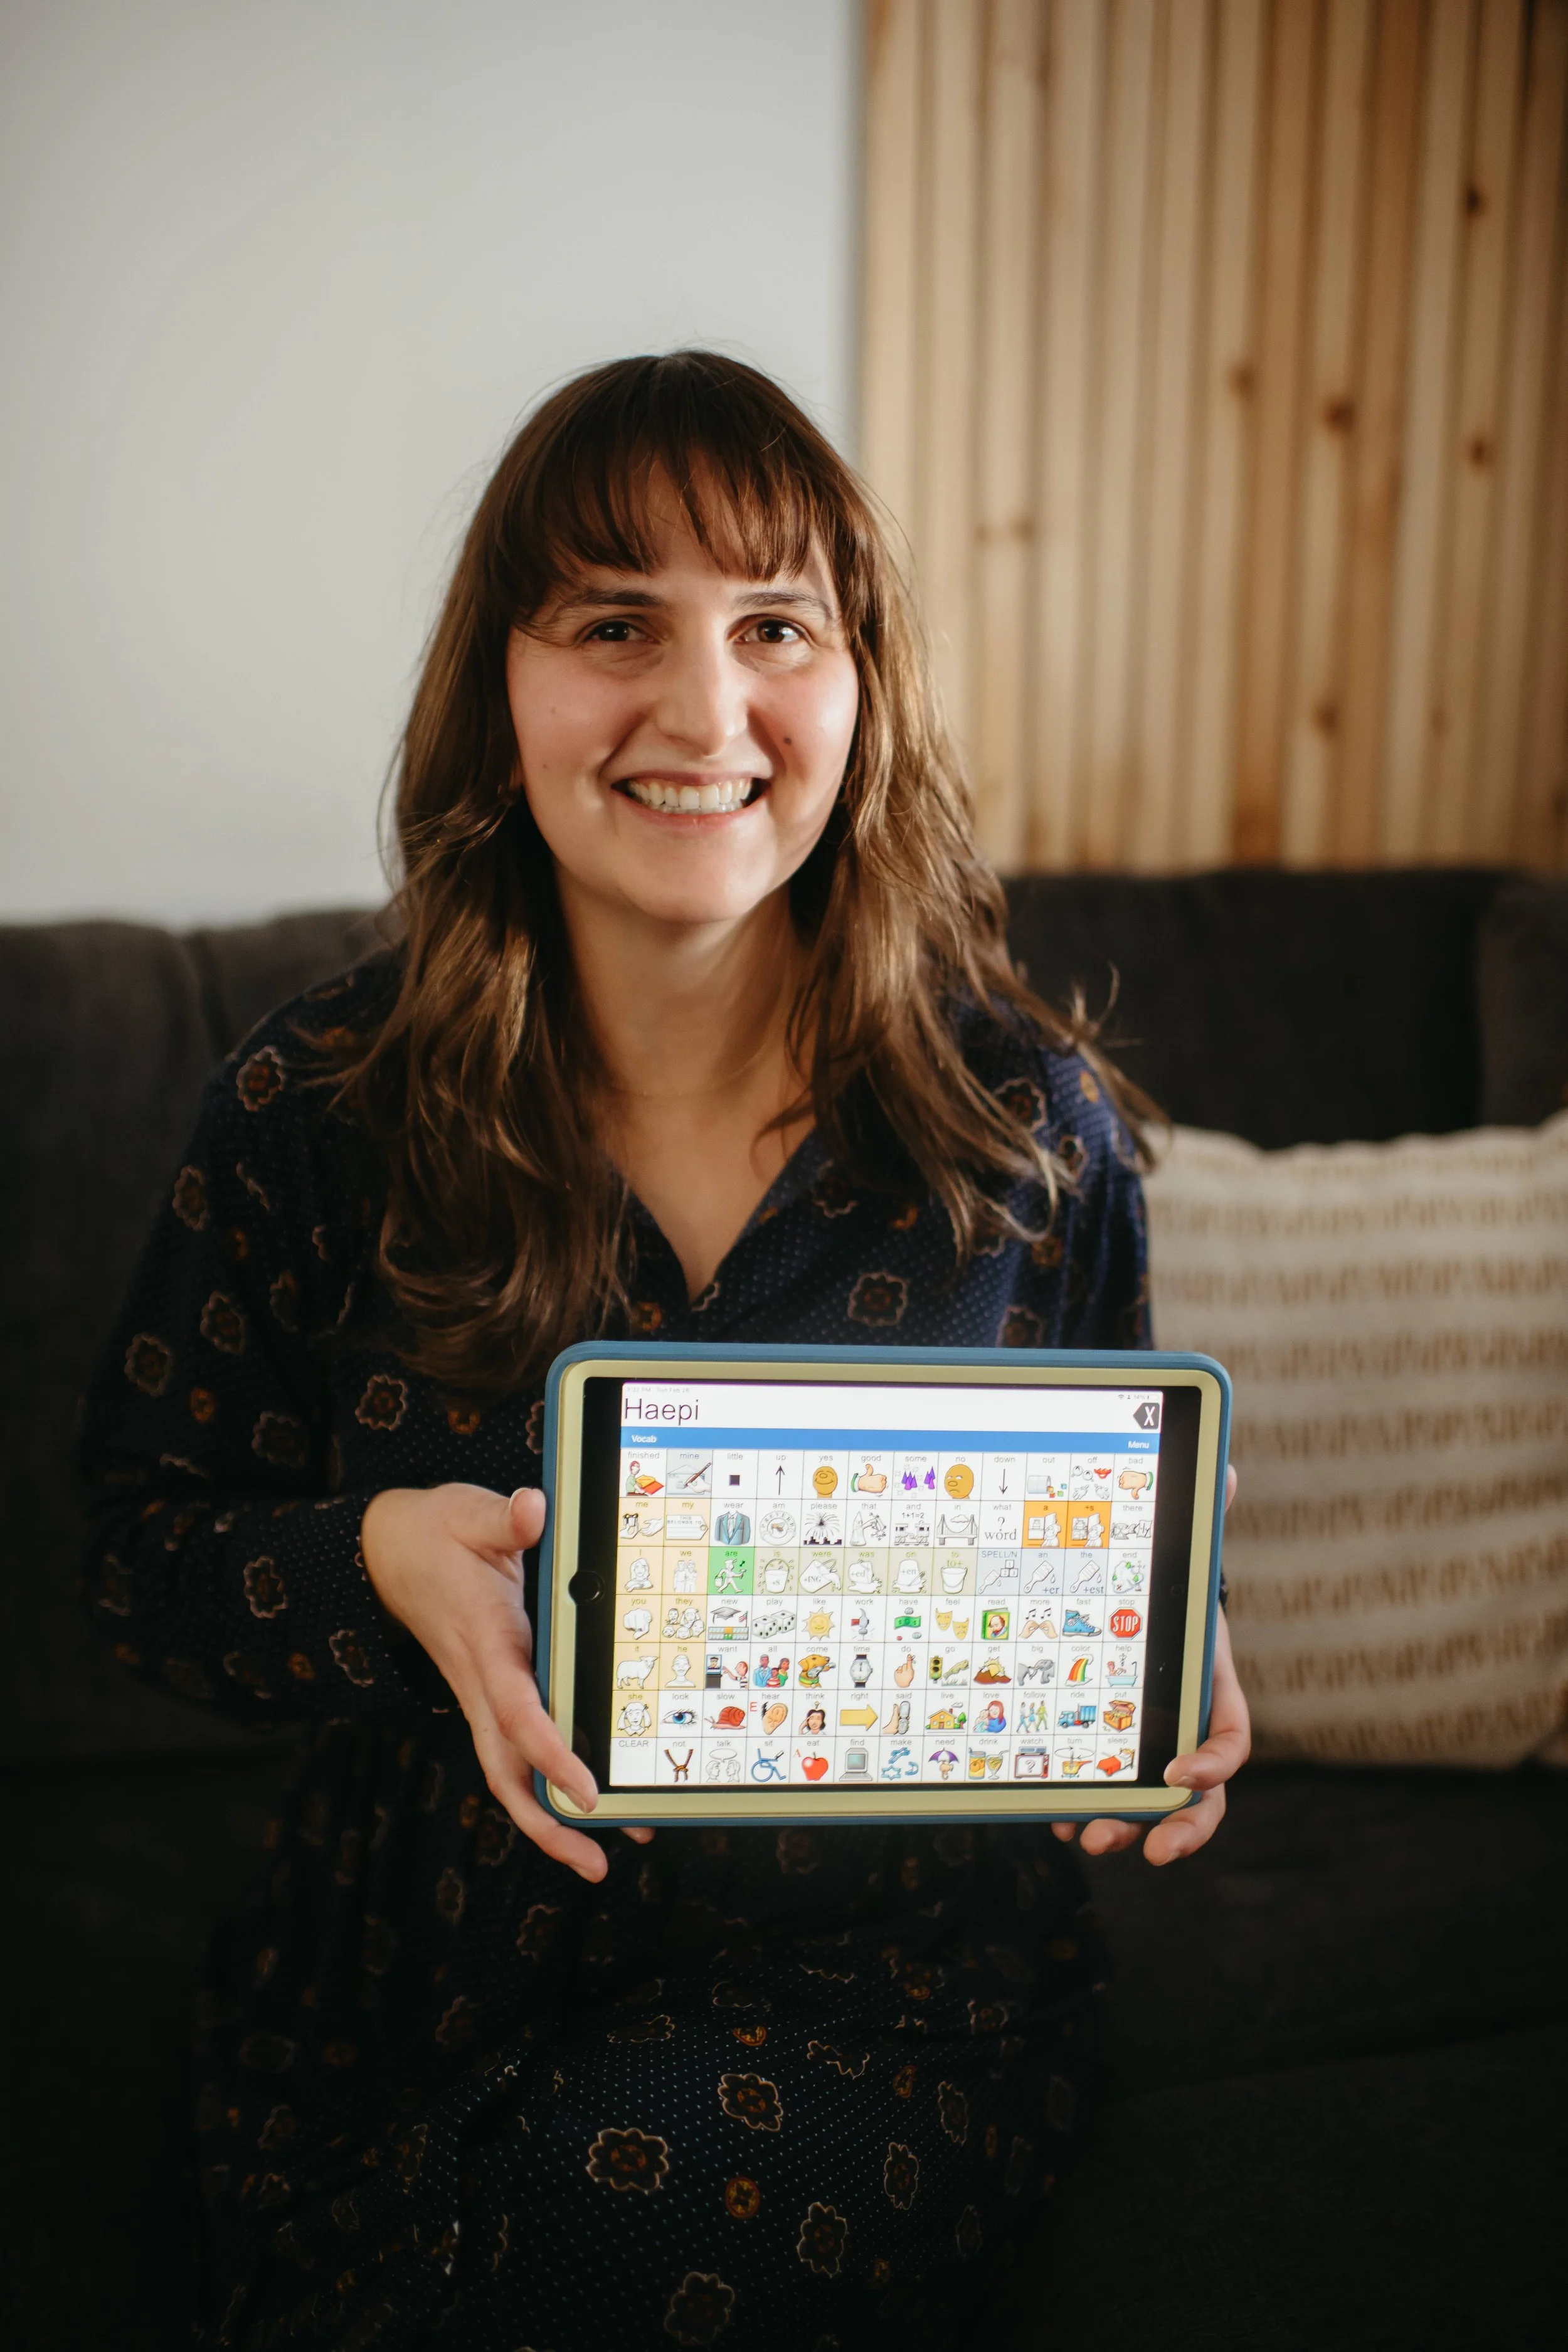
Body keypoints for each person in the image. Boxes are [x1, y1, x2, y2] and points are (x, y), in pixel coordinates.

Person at [78, 352, 1249, 2351]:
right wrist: (370, 1561)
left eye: (774, 627)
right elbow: (134, 1557)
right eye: (615, 624)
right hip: (403, 1981)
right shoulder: (312, 1102)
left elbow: (1119, 1517)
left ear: (860, 686)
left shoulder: (1026, 1128)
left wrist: (1158, 1640)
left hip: (883, 2001)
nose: (705, 714)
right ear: (502, 686)